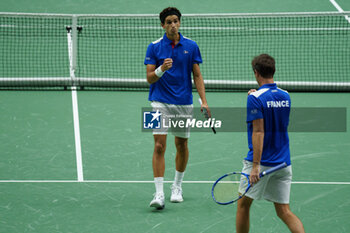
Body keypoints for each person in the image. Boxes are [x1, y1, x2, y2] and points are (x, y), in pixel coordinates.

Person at [144, 7, 211, 210]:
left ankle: (177, 186)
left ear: (179, 23)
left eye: (176, 21)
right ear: (162, 25)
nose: (173, 25)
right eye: (169, 22)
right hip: (158, 101)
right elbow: (149, 78)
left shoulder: (191, 46)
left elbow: (197, 76)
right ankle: (159, 193)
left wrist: (203, 100)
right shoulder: (153, 47)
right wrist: (161, 69)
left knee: (181, 145)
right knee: (159, 146)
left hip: (183, 102)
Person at [236, 54, 305, 233]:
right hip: (283, 163)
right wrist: (255, 96)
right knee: (284, 211)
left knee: (243, 205)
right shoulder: (286, 96)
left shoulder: (255, 99)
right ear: (273, 71)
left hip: (261, 162)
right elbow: (272, 109)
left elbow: (259, 132)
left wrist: (256, 166)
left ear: (256, 73)